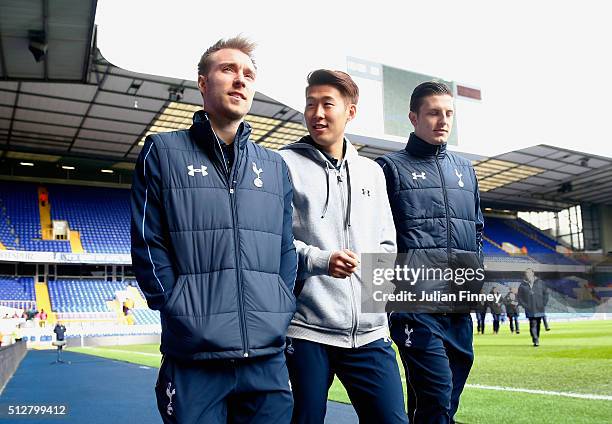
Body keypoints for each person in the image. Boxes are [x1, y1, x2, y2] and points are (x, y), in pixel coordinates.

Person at [130, 36, 297, 424]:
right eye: (228, 70)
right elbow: (147, 241)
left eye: (248, 74)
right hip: (194, 357)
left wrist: (281, 300)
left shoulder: (274, 167)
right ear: (203, 82)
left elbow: (286, 248)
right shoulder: (163, 150)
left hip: (266, 359)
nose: (240, 80)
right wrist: (177, 305)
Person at [279, 70, 406, 424]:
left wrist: (377, 307)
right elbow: (275, 242)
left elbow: (386, 242)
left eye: (327, 104)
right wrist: (320, 260)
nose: (317, 113)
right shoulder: (282, 164)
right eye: (310, 105)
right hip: (306, 330)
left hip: (369, 334)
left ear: (350, 111)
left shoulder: (372, 172)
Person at [376, 81, 484, 423]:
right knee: (435, 399)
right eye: (434, 113)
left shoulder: (465, 170)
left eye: (449, 113)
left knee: (443, 402)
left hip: (459, 304)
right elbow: (376, 235)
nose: (443, 120)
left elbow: (477, 228)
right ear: (413, 117)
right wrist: (387, 302)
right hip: (414, 306)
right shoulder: (389, 168)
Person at [518, 268, 549, 347]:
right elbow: (519, 297)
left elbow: (546, 294)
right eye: (526, 273)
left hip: (539, 307)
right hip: (529, 308)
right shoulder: (522, 285)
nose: (527, 274)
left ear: (532, 273)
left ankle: (536, 337)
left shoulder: (541, 283)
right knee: (533, 324)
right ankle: (535, 340)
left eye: (529, 273)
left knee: (538, 324)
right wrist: (525, 305)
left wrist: (543, 303)